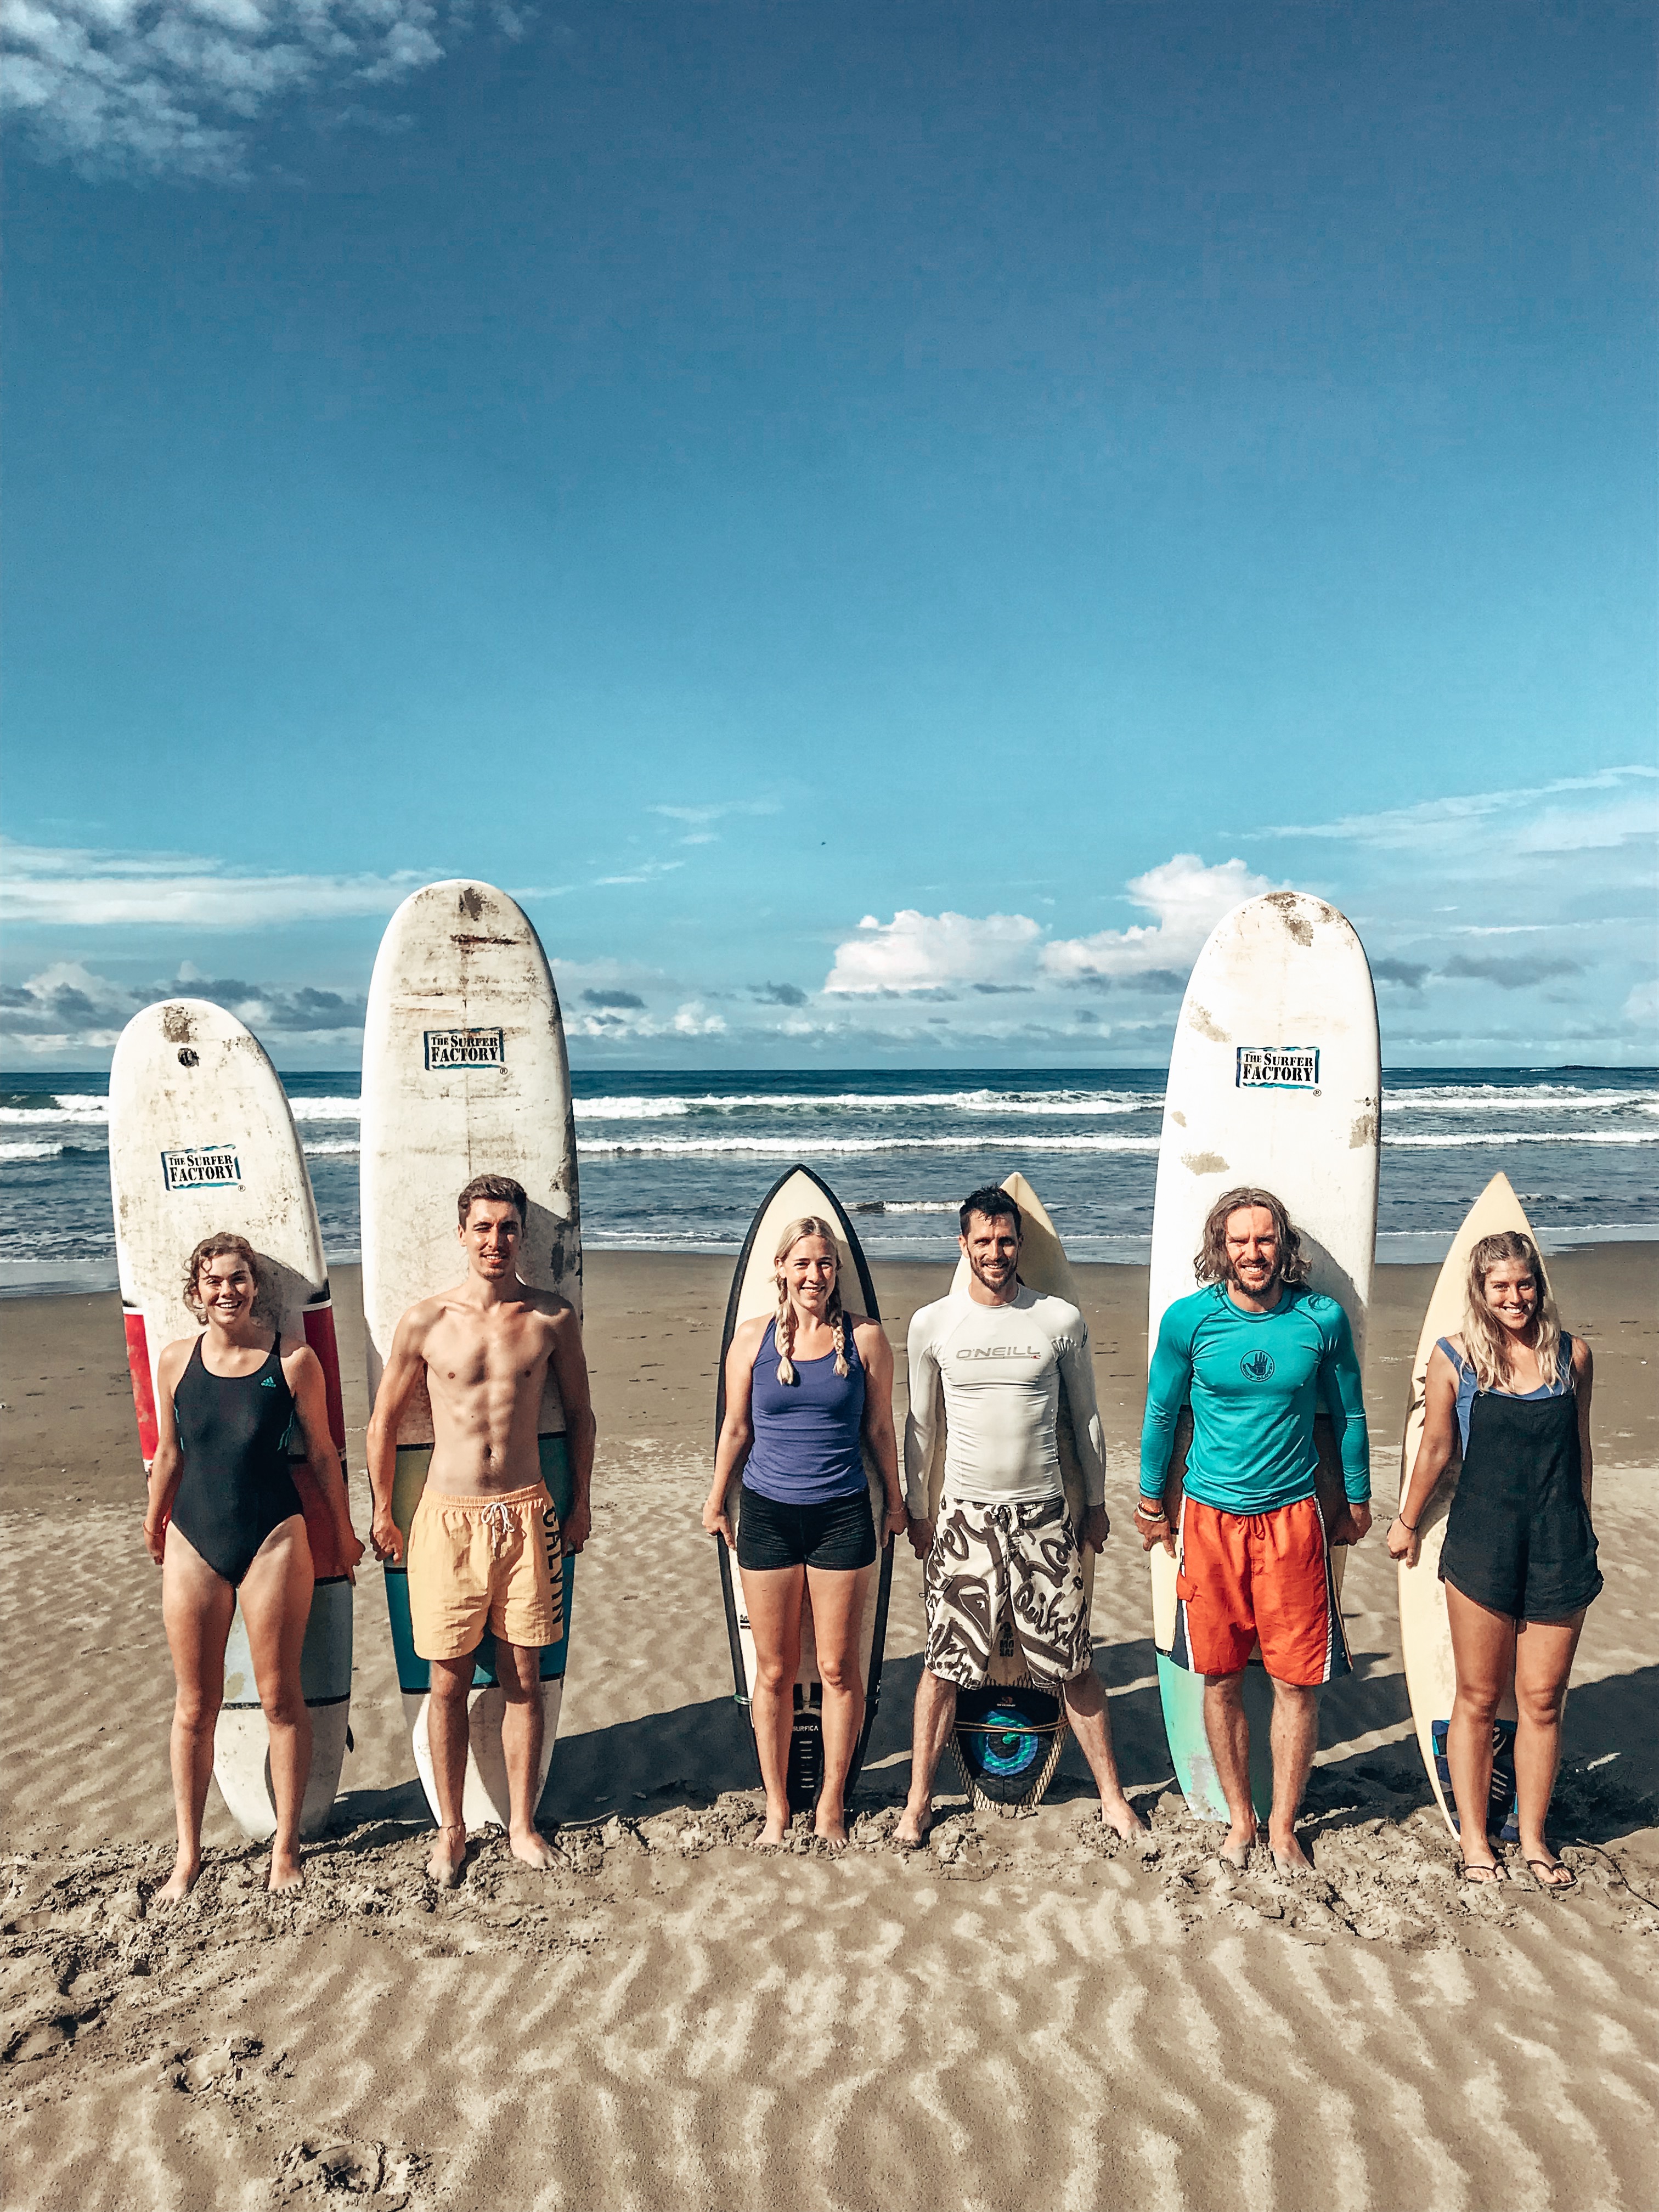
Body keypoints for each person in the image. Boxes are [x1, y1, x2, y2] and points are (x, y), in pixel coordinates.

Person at [894, 1186, 1144, 1847]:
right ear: (963, 1245)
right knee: (944, 1665)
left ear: (1019, 1244)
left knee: (1072, 1664)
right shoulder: (933, 1324)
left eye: (1006, 1240)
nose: (996, 1252)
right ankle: (918, 1801)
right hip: (964, 1521)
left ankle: (1113, 1798)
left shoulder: (1057, 1320)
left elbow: (1085, 1418)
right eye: (983, 1241)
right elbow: (921, 1428)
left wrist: (1096, 1503)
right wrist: (917, 1509)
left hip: (1043, 1519)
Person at [367, 1173, 595, 1886]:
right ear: (462, 1233)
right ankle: (453, 1828)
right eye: (484, 1227)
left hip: (528, 1512)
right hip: (447, 1517)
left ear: (522, 1236)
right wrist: (381, 1509)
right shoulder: (426, 1321)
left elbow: (581, 1416)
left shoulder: (551, 1318)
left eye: (508, 1228)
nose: (496, 1240)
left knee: (525, 1675)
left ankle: (523, 1825)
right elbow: (382, 1422)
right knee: (447, 1680)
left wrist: (580, 1500)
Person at [1138, 1188, 1370, 1873]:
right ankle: (1241, 1819)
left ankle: (1283, 1826)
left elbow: (1349, 1415)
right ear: (1220, 1247)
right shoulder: (1189, 1322)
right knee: (1219, 1677)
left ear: (1283, 1244)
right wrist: (1152, 1503)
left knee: (1298, 1683)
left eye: (1264, 1240)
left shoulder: (1321, 1319)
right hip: (1209, 1521)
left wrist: (1356, 1496)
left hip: (1294, 1521)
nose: (1252, 1253)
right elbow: (1160, 1415)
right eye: (1239, 1241)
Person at [143, 1232, 363, 1900]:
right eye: (213, 1281)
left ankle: (287, 1849)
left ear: (255, 1286)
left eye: (238, 1279)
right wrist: (154, 1520)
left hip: (274, 1537)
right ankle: (188, 1854)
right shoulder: (176, 1359)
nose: (226, 1291)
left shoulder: (292, 1361)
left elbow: (322, 1455)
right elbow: (170, 1455)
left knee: (279, 1698)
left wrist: (345, 1534)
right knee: (194, 1707)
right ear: (197, 1292)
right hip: (194, 1541)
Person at [1388, 1231, 1598, 1888]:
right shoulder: (1456, 1359)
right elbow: (1436, 1450)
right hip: (1483, 1542)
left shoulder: (1574, 1356)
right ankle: (1476, 1840)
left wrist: (1584, 1528)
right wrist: (1407, 1522)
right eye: (1500, 1286)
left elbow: (1581, 1451)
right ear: (1480, 1291)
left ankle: (1533, 1838)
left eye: (1525, 1284)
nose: (1515, 1297)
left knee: (1541, 1701)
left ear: (1540, 1284)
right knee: (1478, 1697)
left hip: (1559, 1545)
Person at [703, 1216, 905, 1848]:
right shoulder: (751, 1340)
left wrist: (895, 1503)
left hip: (842, 1516)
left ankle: (831, 1808)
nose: (814, 1275)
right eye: (803, 1263)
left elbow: (880, 1432)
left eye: (824, 1264)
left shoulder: (865, 1339)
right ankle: (777, 1808)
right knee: (774, 1671)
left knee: (838, 1669)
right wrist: (716, 1502)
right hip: (766, 1514)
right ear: (782, 1271)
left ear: (836, 1272)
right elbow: (736, 1430)